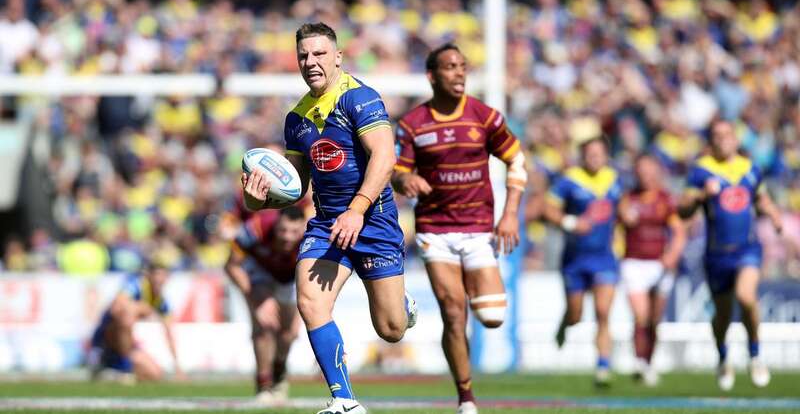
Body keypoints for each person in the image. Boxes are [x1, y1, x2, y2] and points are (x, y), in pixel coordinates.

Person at [241, 22, 417, 414]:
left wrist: (357, 210)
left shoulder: (361, 99)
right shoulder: (296, 118)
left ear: (338, 57)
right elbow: (295, 186)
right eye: (304, 55)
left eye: (319, 54)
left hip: (373, 221)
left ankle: (401, 305)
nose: (311, 61)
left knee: (390, 330)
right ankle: (345, 400)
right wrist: (257, 201)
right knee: (310, 301)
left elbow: (385, 158)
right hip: (326, 224)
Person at [391, 43, 526, 414]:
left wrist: (510, 213)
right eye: (450, 67)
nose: (459, 73)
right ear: (432, 76)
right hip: (436, 231)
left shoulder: (485, 117)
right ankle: (466, 398)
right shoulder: (413, 124)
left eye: (463, 66)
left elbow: (517, 162)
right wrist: (406, 182)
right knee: (453, 312)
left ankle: (475, 289)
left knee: (493, 317)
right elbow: (396, 172)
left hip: (479, 231)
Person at [678, 119, 782, 391]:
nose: (722, 140)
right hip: (716, 255)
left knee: (747, 297)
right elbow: (683, 210)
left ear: (735, 139)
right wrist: (701, 195)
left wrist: (774, 216)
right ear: (710, 141)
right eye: (716, 136)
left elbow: (761, 198)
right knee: (722, 315)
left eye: (727, 135)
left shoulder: (749, 169)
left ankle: (755, 354)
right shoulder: (701, 172)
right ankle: (723, 357)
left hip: (747, 249)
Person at [543, 136, 622, 387]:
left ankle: (603, 366)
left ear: (606, 155)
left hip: (604, 258)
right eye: (590, 154)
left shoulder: (616, 179)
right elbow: (548, 208)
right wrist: (570, 222)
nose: (594, 158)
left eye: (599, 153)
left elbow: (624, 208)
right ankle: (565, 324)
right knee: (577, 314)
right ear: (582, 156)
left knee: (602, 312)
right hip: (575, 259)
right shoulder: (569, 180)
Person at [224, 206, 306, 404]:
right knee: (263, 326)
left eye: (294, 232)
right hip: (259, 272)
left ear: (303, 229)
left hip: (290, 278)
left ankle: (279, 370)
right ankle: (263, 384)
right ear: (276, 224)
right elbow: (231, 266)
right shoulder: (255, 228)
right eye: (283, 230)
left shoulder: (312, 235)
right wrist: (255, 300)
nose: (287, 237)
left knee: (289, 333)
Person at [618, 154, 686, 386]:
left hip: (660, 264)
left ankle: (649, 362)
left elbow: (678, 232)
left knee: (655, 320)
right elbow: (616, 227)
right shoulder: (627, 198)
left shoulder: (666, 199)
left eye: (649, 172)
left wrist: (672, 255)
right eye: (641, 172)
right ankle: (639, 361)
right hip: (634, 262)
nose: (645, 177)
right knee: (641, 316)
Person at [87, 261, 183, 383]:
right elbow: (116, 308)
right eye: (157, 275)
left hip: (126, 344)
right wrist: (143, 308)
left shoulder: (162, 302)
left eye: (164, 276)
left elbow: (169, 333)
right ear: (149, 276)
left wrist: (177, 366)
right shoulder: (136, 285)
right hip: (107, 338)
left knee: (155, 374)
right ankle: (121, 367)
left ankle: (113, 372)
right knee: (128, 313)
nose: (160, 279)